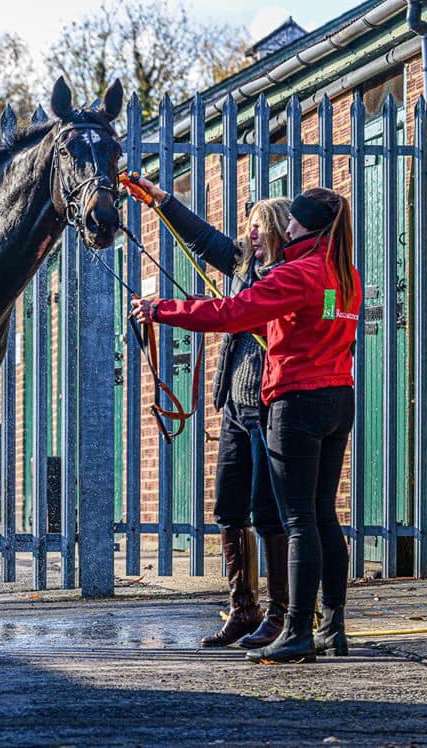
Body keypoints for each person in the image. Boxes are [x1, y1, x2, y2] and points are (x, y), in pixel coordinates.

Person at [131, 187, 360, 664]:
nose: (285, 227)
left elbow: (232, 313)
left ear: (303, 227)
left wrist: (162, 309)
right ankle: (331, 627)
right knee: (322, 517)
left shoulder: (297, 273)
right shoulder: (345, 274)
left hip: (296, 401)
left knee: (297, 522)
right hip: (338, 398)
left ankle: (295, 628)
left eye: (292, 221)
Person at [128, 177, 291, 650]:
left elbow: (225, 313)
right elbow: (201, 237)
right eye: (250, 224)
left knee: (269, 512)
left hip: (266, 406)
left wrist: (166, 309)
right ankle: (244, 608)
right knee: (227, 508)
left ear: (279, 227)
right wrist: (161, 201)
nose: (251, 231)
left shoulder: (281, 277)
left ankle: (280, 614)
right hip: (237, 409)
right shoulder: (243, 264)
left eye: (259, 224)